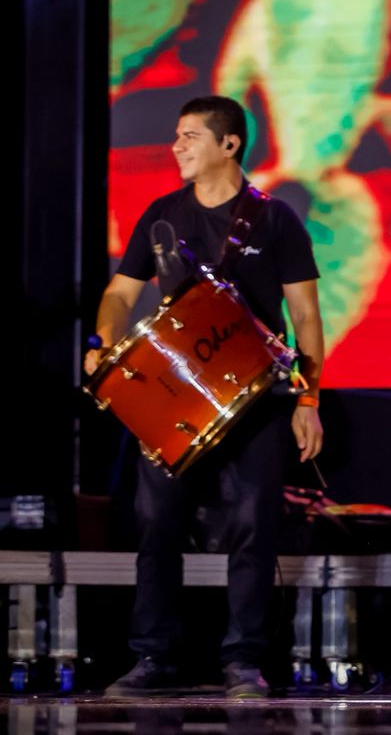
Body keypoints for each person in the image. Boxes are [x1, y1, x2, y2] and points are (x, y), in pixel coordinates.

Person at [84, 95, 326, 698]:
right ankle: (153, 658)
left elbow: (305, 315)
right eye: (176, 136)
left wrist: (308, 400)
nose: (177, 147)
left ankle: (243, 660)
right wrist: (102, 341)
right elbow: (119, 294)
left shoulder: (274, 220)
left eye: (190, 136)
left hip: (258, 402)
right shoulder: (162, 215)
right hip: (173, 400)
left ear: (229, 144)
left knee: (251, 526)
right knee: (156, 525)